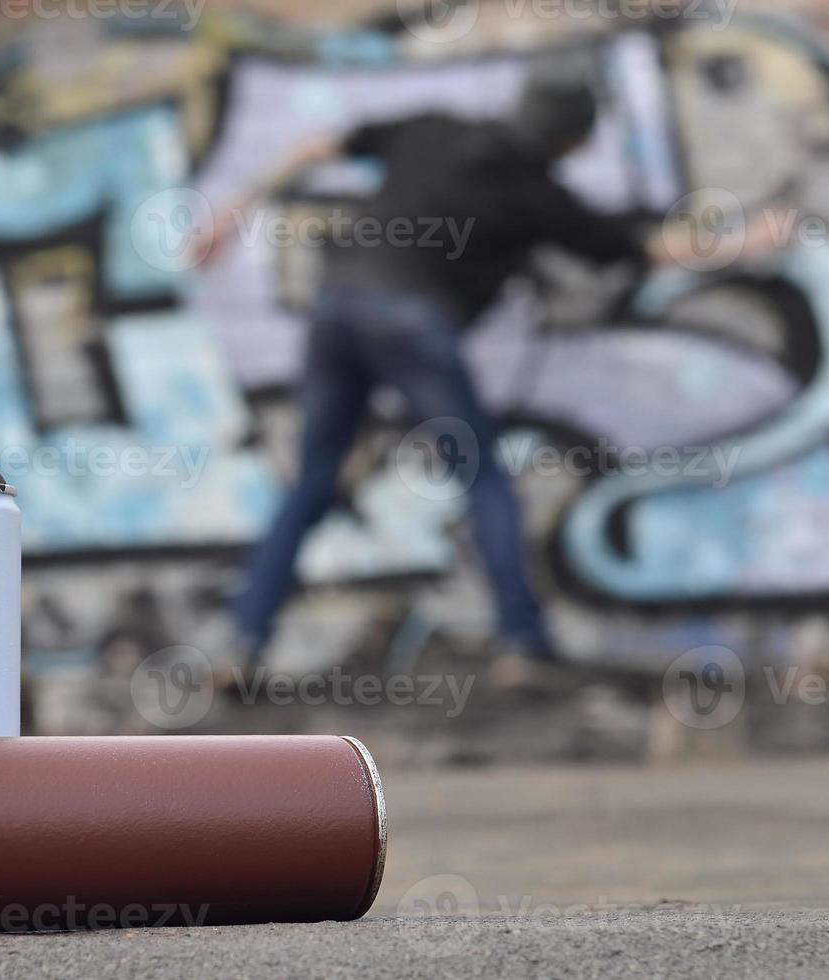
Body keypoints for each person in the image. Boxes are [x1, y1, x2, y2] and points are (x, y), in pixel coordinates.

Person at [201, 71, 673, 669]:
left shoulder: (433, 129)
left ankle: (241, 640)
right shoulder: (542, 197)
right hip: (413, 324)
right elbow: (647, 249)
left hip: (339, 306)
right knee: (485, 482)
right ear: (574, 142)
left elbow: (315, 146)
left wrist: (228, 216)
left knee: (312, 484)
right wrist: (746, 241)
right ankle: (522, 642)